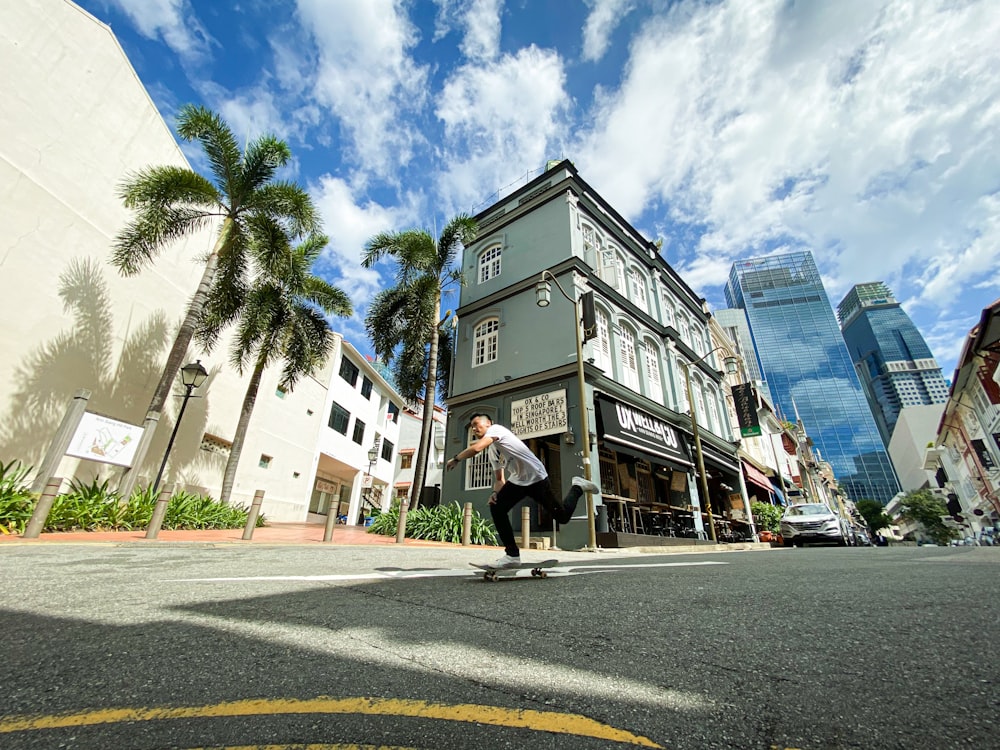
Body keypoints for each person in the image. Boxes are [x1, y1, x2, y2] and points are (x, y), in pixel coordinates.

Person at [445, 413, 600, 568]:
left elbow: (477, 448)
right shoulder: (493, 450)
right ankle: (512, 556)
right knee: (497, 507)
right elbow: (499, 480)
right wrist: (495, 494)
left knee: (562, 517)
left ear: (488, 423)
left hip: (537, 477)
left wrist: (456, 458)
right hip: (518, 481)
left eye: (476, 424)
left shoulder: (496, 429)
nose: (473, 428)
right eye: (471, 426)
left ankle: (577, 487)